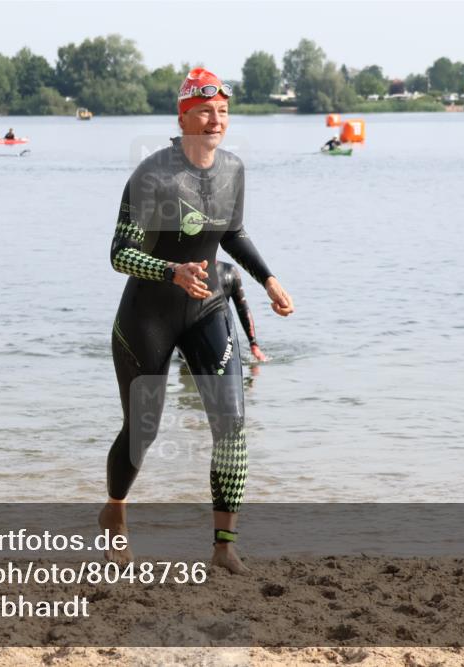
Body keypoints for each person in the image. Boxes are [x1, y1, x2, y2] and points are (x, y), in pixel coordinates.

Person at [101, 68, 294, 574]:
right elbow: (119, 254)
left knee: (231, 428)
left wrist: (268, 279)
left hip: (208, 308)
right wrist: (172, 270)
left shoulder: (232, 170)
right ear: (183, 117)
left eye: (223, 113)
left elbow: (233, 232)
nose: (216, 121)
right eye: (205, 112)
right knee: (142, 432)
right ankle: (115, 514)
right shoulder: (151, 176)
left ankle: (224, 545)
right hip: (148, 315)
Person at [178, 261, 267, 363]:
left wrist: (254, 345)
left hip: (220, 341)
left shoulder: (229, 271)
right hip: (189, 347)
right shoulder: (184, 272)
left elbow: (242, 308)